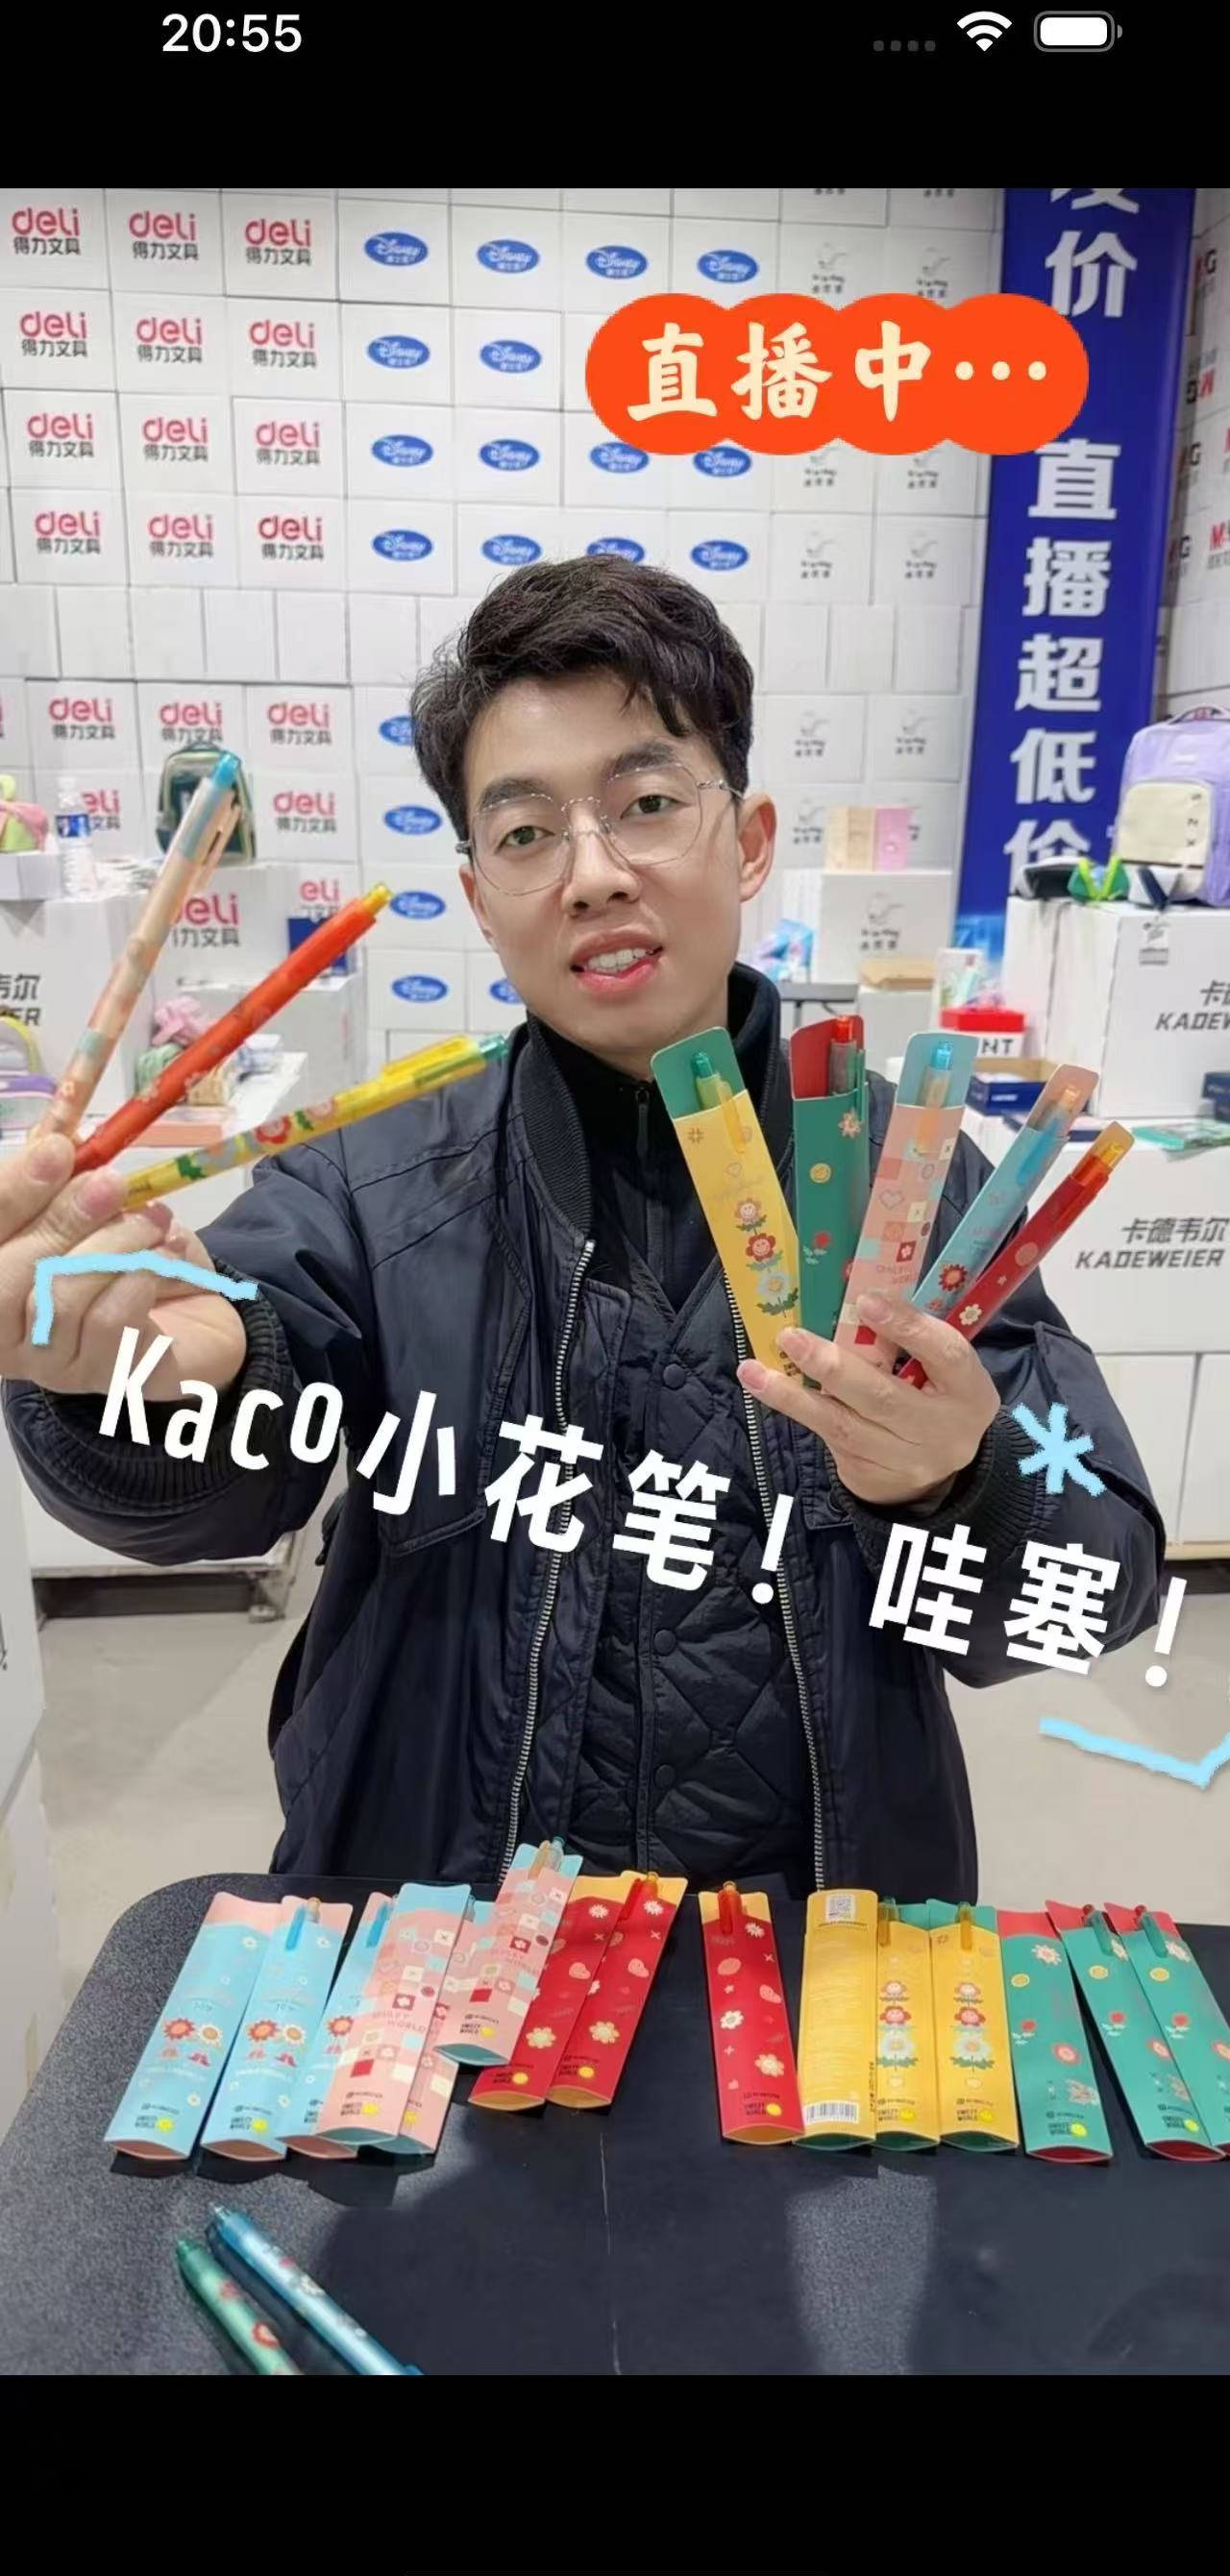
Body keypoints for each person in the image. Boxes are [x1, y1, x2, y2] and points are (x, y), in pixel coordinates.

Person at [1, 558, 1162, 1899]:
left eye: (648, 804)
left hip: (823, 1945)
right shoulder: (372, 1186)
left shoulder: (916, 1185)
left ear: (751, 839)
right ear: (478, 892)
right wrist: (133, 1381)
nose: (594, 874)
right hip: (438, 1939)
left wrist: (961, 1480)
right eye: (527, 833)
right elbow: (230, 1433)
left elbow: (1096, 1584)